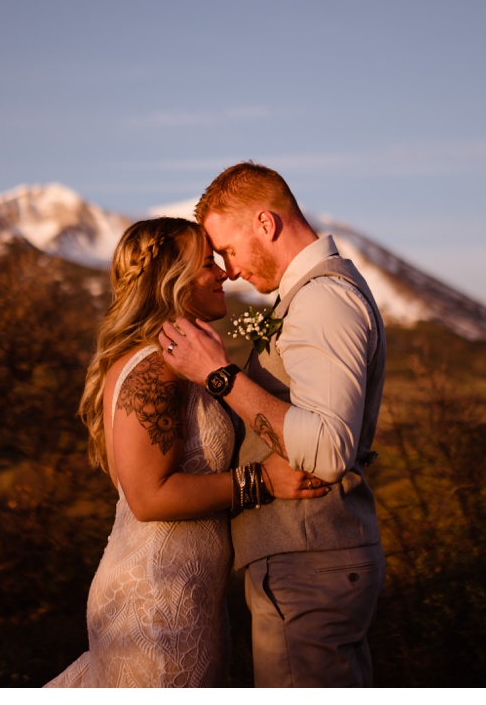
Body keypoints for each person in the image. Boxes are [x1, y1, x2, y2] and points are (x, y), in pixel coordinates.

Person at [47, 217, 330, 688]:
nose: (222, 272)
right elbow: (148, 497)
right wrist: (264, 480)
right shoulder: (155, 367)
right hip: (156, 602)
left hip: (185, 592)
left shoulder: (174, 360)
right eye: (206, 264)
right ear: (168, 282)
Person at [159, 163, 387, 687]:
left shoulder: (323, 299)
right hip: (310, 561)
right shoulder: (308, 295)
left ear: (265, 223)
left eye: (229, 250)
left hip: (312, 563)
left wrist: (219, 376)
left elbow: (329, 449)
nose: (230, 270)